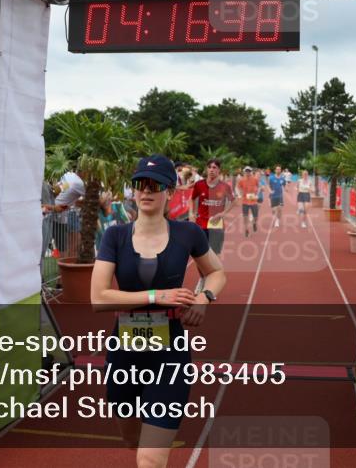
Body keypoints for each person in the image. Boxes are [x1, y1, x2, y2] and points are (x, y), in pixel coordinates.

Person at [91, 155, 225, 468]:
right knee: (131, 440)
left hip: (170, 353)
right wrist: (156, 296)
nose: (146, 191)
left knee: (150, 459)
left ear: (171, 191)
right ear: (134, 190)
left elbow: (217, 273)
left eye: (155, 185)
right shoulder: (115, 236)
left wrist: (204, 297)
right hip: (124, 352)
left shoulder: (188, 233)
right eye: (140, 184)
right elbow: (98, 298)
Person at [190, 158, 234, 258]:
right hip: (201, 224)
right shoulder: (199, 185)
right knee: (201, 254)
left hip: (216, 224)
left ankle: (214, 273)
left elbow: (233, 201)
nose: (211, 170)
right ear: (206, 169)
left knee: (215, 253)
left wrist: (223, 213)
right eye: (209, 167)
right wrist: (194, 212)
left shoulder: (224, 186)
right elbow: (193, 198)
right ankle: (203, 274)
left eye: (214, 167)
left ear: (219, 170)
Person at [236, 166, 260, 237]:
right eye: (246, 171)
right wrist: (239, 194)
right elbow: (237, 187)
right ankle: (246, 229)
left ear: (251, 171)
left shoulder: (255, 179)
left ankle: (254, 223)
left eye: (249, 171)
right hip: (245, 201)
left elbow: (258, 186)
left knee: (255, 216)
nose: (247, 172)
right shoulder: (241, 180)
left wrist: (257, 193)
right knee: (245, 217)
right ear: (244, 172)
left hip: (253, 199)